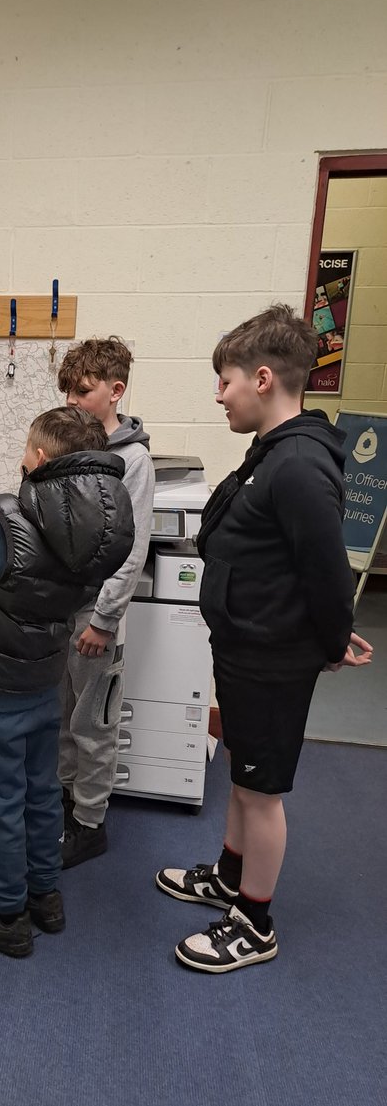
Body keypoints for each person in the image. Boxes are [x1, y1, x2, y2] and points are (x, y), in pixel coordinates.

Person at [155, 304, 373, 973]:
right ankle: (228, 876)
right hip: (248, 645)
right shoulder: (271, 452)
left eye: (225, 382)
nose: (218, 395)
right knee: (245, 778)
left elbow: (327, 571)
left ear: (263, 377)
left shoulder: (301, 464)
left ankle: (254, 921)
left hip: (274, 654)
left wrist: (333, 640)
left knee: (260, 788)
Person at [0, 407, 135, 957]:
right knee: (43, 796)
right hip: (43, 686)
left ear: (39, 459)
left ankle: (7, 916)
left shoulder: (2, 523)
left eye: (25, 451)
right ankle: (46, 896)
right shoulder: (95, 535)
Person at [55, 337, 155, 865]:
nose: (72, 400)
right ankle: (68, 801)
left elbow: (130, 551)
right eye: (68, 389)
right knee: (64, 714)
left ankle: (90, 823)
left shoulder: (132, 461)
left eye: (84, 391)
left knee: (94, 722)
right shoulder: (74, 447)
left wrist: (104, 618)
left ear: (116, 391)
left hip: (96, 617)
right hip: (61, 609)